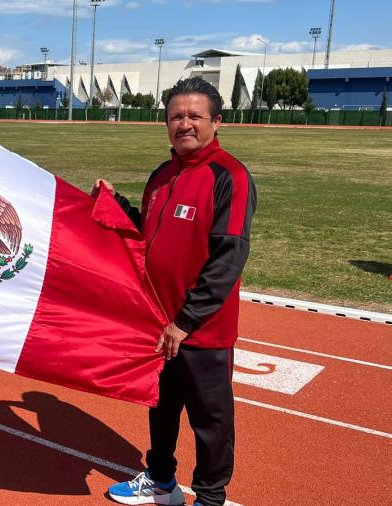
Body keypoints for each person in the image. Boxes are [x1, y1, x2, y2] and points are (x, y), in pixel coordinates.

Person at [102, 77, 256, 506]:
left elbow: (229, 256)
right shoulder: (162, 175)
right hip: (158, 322)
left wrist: (185, 322)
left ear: (216, 121)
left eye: (194, 116)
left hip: (201, 330)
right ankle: (161, 481)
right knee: (162, 408)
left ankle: (209, 497)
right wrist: (118, 206)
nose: (184, 123)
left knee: (211, 420)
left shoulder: (231, 176)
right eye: (176, 116)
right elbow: (144, 235)